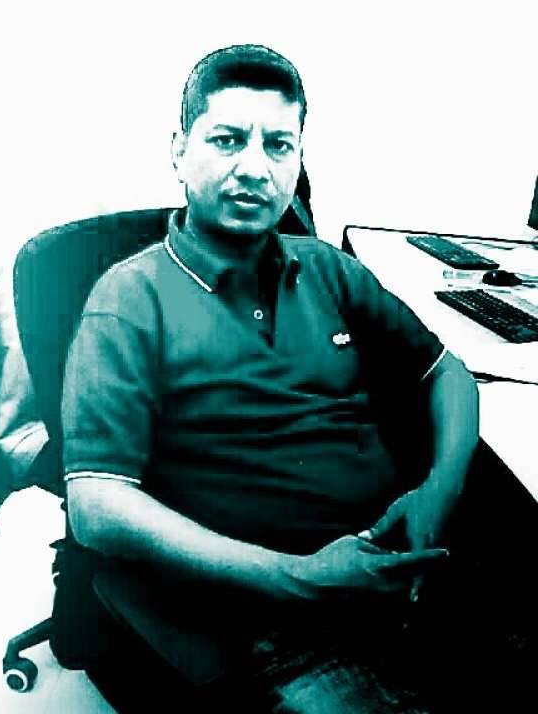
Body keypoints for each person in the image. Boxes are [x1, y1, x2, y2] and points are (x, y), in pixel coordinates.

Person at [61, 44, 484, 712]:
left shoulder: (328, 269)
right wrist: (302, 579)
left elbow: (446, 371)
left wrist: (437, 494)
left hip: (402, 565)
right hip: (271, 610)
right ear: (179, 150)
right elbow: (95, 505)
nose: (254, 167)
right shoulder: (130, 298)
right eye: (227, 139)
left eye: (279, 145)